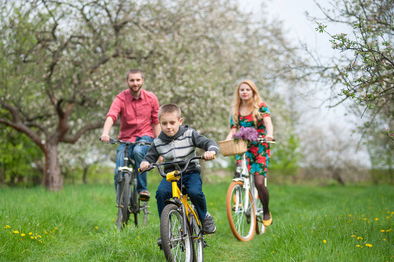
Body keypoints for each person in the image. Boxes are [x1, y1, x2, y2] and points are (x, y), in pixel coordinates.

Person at [140, 103, 219, 235]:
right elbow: (149, 156)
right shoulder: (158, 142)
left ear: (180, 121)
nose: (168, 127)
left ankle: (205, 217)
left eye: (172, 122)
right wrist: (145, 163)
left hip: (191, 172)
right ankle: (166, 228)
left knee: (194, 192)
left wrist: (211, 151)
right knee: (161, 193)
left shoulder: (189, 134)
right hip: (171, 176)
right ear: (159, 124)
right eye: (164, 123)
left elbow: (209, 143)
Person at [100, 69, 161, 200]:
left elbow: (156, 123)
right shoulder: (121, 98)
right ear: (127, 81)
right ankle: (121, 202)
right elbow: (112, 116)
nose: (135, 83)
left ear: (142, 81)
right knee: (118, 172)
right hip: (125, 139)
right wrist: (105, 133)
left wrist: (161, 147)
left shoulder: (151, 98)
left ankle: (142, 189)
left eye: (138, 80)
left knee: (139, 152)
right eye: (132, 80)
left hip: (145, 136)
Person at [225, 79, 274, 226]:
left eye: (248, 89)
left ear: (253, 91)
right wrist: (226, 142)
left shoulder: (260, 107)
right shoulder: (236, 111)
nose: (245, 92)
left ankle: (266, 211)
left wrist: (269, 134)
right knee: (239, 173)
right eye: (242, 90)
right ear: (238, 93)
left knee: (259, 182)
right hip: (243, 147)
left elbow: (268, 123)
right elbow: (233, 131)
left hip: (259, 146)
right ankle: (240, 201)